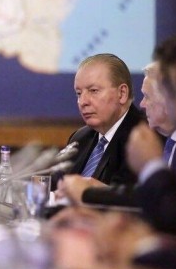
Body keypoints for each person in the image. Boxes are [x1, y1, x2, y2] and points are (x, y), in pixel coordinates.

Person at [58, 53, 144, 190]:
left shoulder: (142, 138)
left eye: (93, 91)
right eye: (79, 93)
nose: (83, 102)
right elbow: (56, 186)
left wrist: (90, 192)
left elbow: (131, 197)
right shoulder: (80, 139)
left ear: (122, 93)